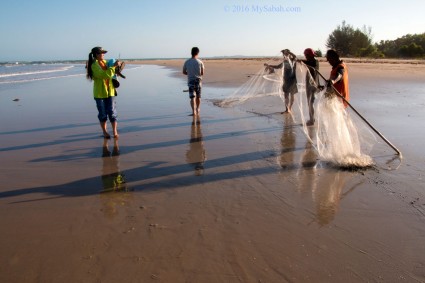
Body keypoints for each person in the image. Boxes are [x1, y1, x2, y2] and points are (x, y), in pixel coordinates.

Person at [86, 46, 120, 139]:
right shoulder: (93, 65)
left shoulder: (106, 62)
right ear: (96, 55)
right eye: (101, 53)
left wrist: (117, 68)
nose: (103, 54)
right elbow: (104, 75)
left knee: (112, 112)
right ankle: (105, 132)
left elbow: (111, 75)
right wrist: (113, 67)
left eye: (103, 53)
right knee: (102, 114)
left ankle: (115, 131)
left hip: (110, 91)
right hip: (100, 93)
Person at [264, 49, 298, 113]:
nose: (285, 56)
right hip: (286, 80)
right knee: (286, 95)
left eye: (286, 54)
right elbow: (277, 67)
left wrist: (289, 52)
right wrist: (269, 65)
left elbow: (295, 56)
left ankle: (290, 107)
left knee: (292, 95)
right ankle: (287, 109)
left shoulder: (293, 61)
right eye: (284, 55)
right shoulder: (285, 62)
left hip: (292, 81)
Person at [183, 47, 205, 116]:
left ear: (191, 53)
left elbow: (184, 72)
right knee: (198, 96)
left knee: (192, 97)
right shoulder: (200, 62)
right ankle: (198, 108)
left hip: (191, 81)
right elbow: (202, 73)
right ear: (197, 53)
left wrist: (189, 74)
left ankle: (194, 112)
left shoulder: (187, 62)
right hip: (198, 81)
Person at [301, 48, 319, 126]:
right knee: (310, 103)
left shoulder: (314, 62)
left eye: (306, 55)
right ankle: (312, 118)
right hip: (312, 84)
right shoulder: (313, 61)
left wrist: (303, 62)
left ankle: (312, 120)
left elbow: (311, 66)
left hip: (312, 85)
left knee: (310, 103)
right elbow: (306, 62)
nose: (306, 57)